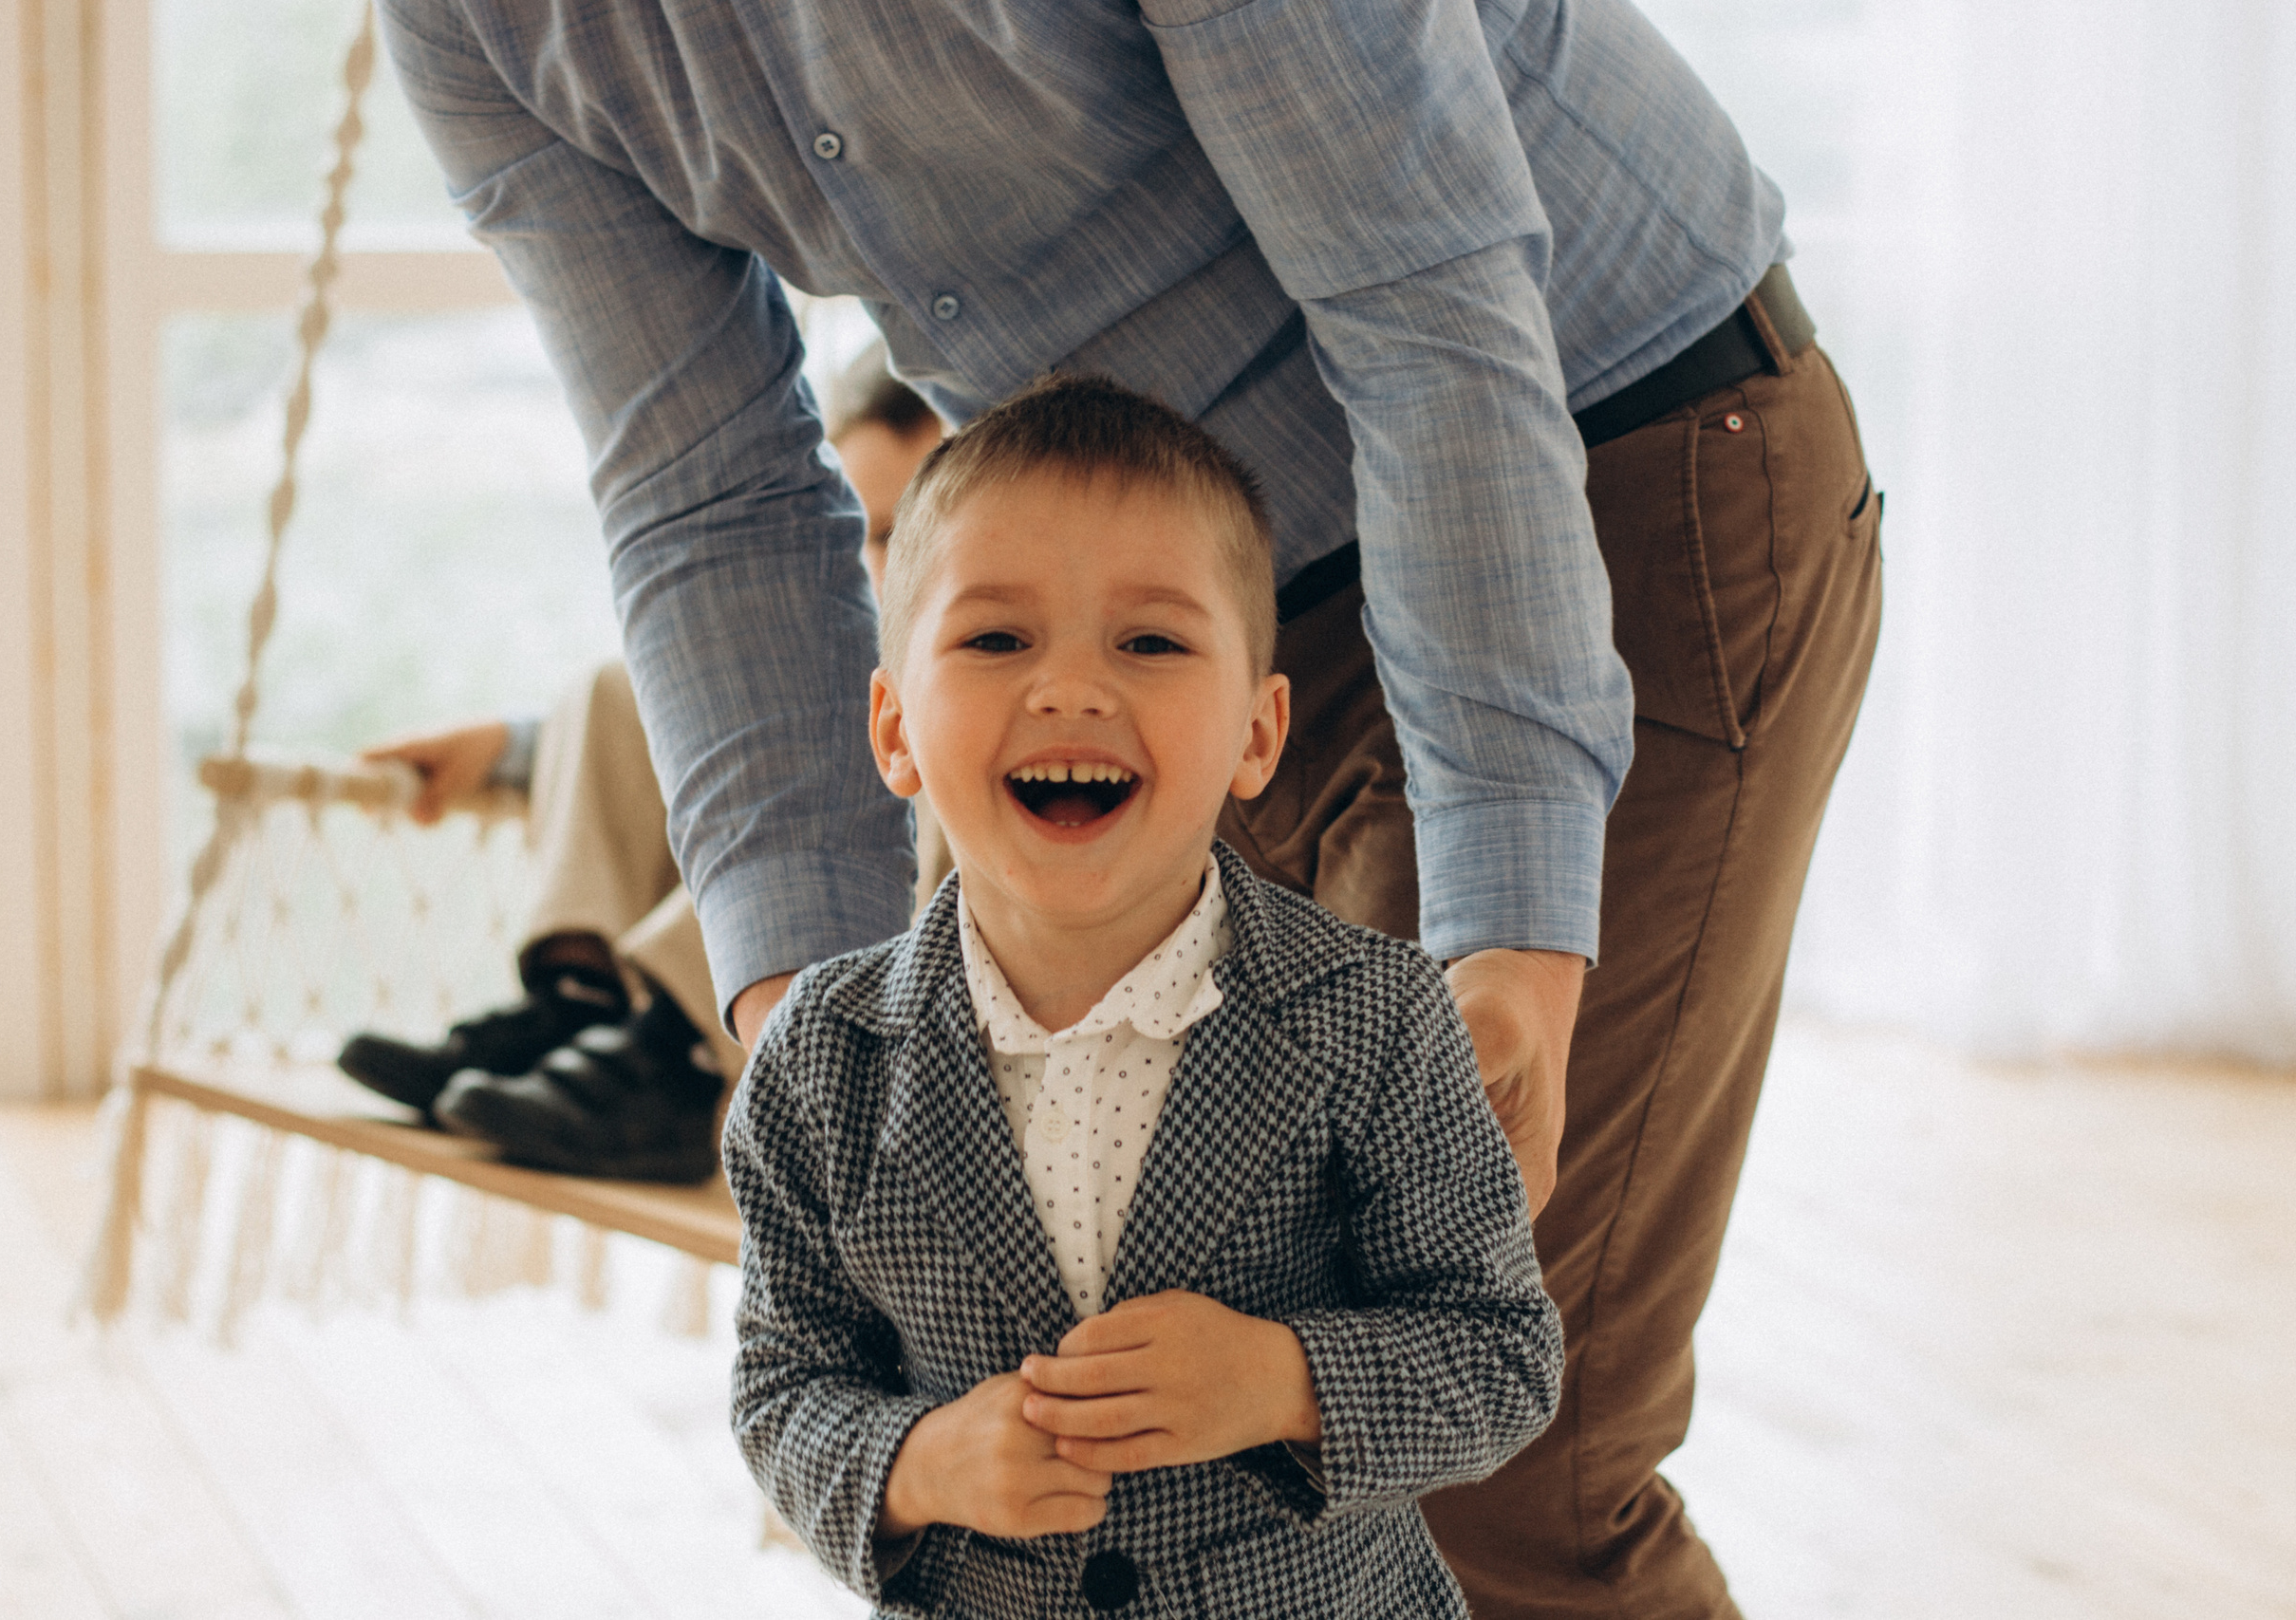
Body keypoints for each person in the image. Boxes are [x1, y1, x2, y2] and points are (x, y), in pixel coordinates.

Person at [382, 0, 1883, 1609]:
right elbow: (705, 489)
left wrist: (1512, 913)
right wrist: (801, 1015)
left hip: (1592, 459)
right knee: (1162, 1425)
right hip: (1172, 623)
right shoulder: (474, 24)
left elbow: (1423, 297)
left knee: (1490, 1470)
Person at [728, 374, 1562, 1615]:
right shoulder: (819, 1057)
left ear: (1257, 733)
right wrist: (915, 1465)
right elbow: (784, 1385)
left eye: (1152, 641)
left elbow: (1502, 1351)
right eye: (998, 637)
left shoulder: (1380, 1018)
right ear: (896, 725)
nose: (1071, 688)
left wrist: (1284, 1377)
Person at [333, 358, 945, 1177]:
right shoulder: (841, 644)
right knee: (614, 689)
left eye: (907, 537)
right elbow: (716, 746)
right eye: (859, 534)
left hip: (904, 993)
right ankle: (575, 1009)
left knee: (872, 749)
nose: (880, 568)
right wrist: (515, 747)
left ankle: (671, 1058)